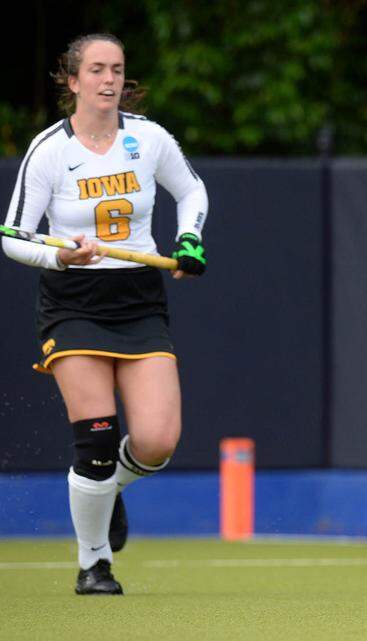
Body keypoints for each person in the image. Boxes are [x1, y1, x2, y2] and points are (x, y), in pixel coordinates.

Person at [3, 33, 208, 595]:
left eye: (116, 69)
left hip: (138, 299)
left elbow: (192, 192)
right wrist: (59, 256)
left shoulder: (149, 138)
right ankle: (94, 564)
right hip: (72, 301)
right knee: (96, 439)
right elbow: (15, 237)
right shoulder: (50, 149)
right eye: (96, 69)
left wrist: (189, 238)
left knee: (157, 441)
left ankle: (106, 488)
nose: (109, 79)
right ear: (73, 80)